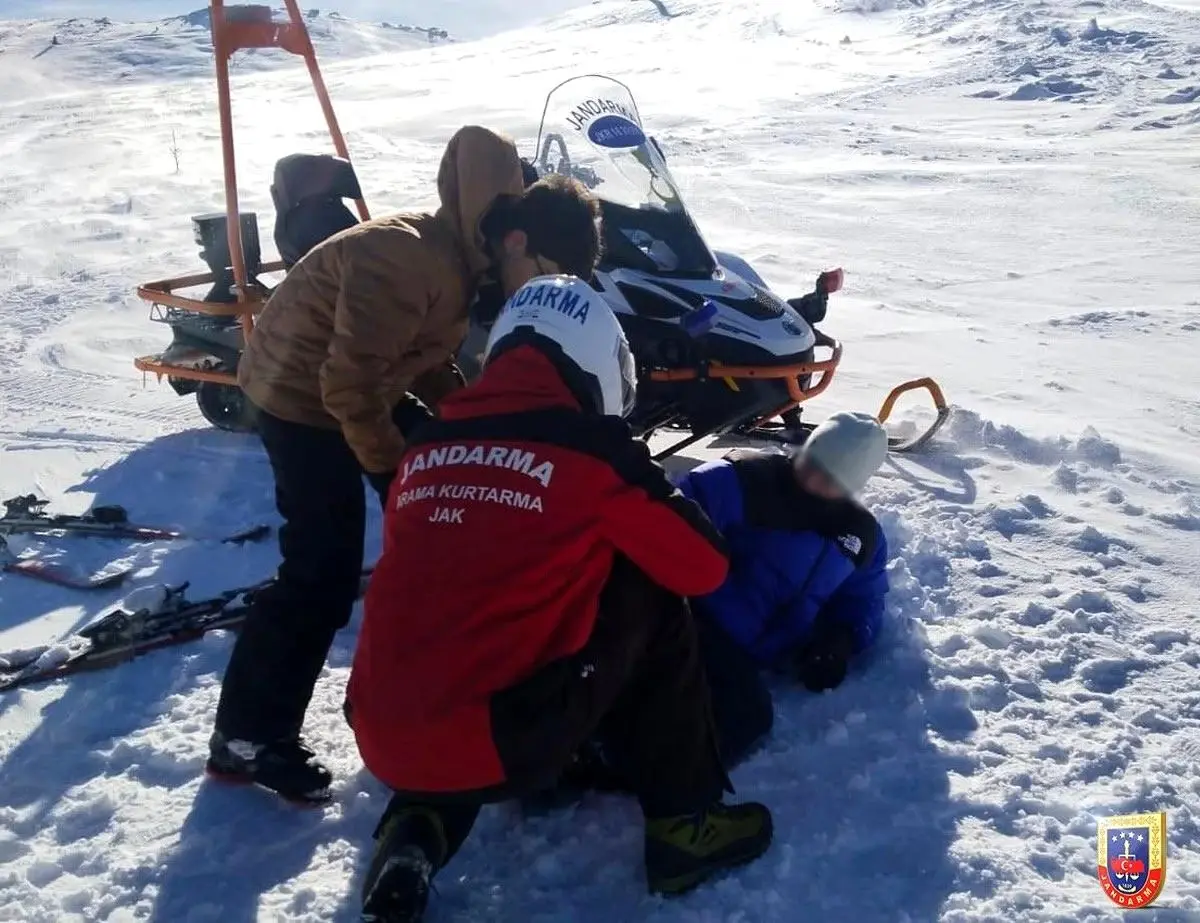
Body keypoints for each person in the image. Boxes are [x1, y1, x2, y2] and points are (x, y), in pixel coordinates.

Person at [345, 275, 774, 923]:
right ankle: (685, 823)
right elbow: (703, 566)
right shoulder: (591, 450)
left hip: (381, 733)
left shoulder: (428, 445)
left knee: (464, 608)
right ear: (598, 362)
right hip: (505, 736)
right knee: (646, 587)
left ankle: (419, 822)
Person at [206, 124, 603, 804]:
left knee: (439, 501)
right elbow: (349, 389)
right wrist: (398, 481)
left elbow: (420, 356)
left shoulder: (462, 261)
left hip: (348, 387)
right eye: (541, 274)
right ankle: (246, 737)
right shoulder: (406, 258)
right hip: (300, 397)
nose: (533, 291)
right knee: (320, 569)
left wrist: (476, 415)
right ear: (516, 242)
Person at [673, 412, 892, 767]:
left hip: (746, 656)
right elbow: (663, 535)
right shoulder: (736, 482)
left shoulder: (858, 535)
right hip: (689, 622)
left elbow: (863, 597)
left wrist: (840, 640)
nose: (814, 477)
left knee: (741, 721)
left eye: (831, 476)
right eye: (813, 461)